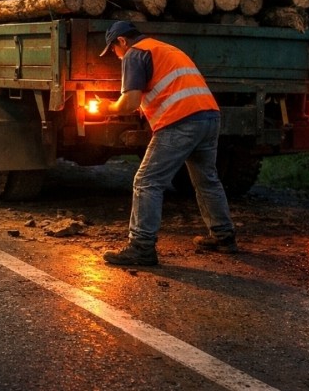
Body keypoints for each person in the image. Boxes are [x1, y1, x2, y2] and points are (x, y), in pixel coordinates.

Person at [95, 21, 237, 266]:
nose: (117, 57)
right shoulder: (165, 48)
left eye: (114, 51)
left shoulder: (135, 53)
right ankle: (224, 237)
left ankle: (141, 247)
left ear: (122, 41)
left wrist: (108, 107)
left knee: (147, 180)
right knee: (207, 180)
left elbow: (129, 101)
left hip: (181, 121)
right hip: (209, 117)